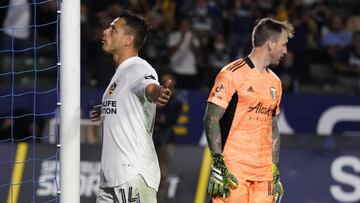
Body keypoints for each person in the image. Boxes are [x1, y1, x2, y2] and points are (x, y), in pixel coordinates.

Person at [204, 18, 294, 203]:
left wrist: (275, 170)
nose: (285, 51)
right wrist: (218, 164)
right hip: (233, 171)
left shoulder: (275, 82)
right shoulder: (232, 73)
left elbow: (273, 128)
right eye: (283, 45)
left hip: (264, 175)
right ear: (270, 44)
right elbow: (211, 118)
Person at [90, 11, 172, 203]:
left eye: (112, 29)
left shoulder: (139, 67)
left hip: (132, 175)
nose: (105, 32)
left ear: (128, 40)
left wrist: (158, 92)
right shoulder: (120, 74)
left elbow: (148, 86)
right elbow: (128, 102)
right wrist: (105, 109)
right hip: (110, 179)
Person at [152, 72, 182, 203]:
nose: (167, 87)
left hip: (165, 140)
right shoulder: (152, 99)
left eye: (170, 85)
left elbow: (169, 119)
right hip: (150, 140)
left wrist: (161, 117)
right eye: (163, 84)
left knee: (163, 174)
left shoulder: (176, 102)